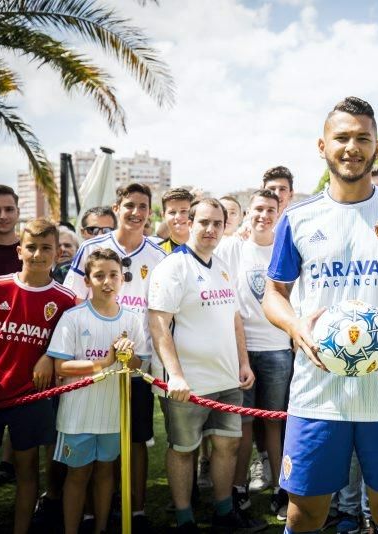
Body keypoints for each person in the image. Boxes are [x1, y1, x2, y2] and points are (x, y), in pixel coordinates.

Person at [263, 96, 378, 534]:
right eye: (341, 137)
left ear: (377, 148)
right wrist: (294, 323)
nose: (352, 147)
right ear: (322, 146)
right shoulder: (298, 218)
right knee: (305, 516)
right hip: (316, 394)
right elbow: (274, 294)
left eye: (363, 138)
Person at [148, 198, 264, 533]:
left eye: (217, 222)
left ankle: (224, 513)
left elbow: (234, 318)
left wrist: (243, 362)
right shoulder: (172, 268)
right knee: (184, 450)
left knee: (228, 445)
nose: (211, 229)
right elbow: (158, 325)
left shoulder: (223, 265)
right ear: (188, 222)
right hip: (187, 383)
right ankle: (185, 519)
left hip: (227, 377)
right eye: (204, 222)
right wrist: (177, 376)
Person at [64, 183, 166, 532]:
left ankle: (135, 512)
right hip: (94, 364)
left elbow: (162, 311)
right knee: (93, 438)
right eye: (129, 205)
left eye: (143, 206)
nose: (136, 212)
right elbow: (71, 301)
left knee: (135, 439)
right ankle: (93, 513)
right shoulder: (92, 248)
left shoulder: (158, 254)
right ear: (116, 208)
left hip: (138, 364)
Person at [0, 219, 76, 534]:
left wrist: (48, 356)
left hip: (31, 395)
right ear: (19, 251)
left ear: (57, 254)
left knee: (27, 470)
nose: (38, 254)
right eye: (31, 247)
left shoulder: (66, 299)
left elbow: (64, 346)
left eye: (46, 248)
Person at [47, 249, 148, 534]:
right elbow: (62, 366)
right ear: (88, 281)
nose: (107, 281)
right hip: (78, 414)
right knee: (78, 475)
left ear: (122, 279)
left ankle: (101, 528)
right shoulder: (73, 317)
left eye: (113, 275)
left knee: (106, 473)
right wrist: (104, 361)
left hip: (114, 413)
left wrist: (129, 356)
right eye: (99, 275)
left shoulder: (131, 318)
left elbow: (140, 363)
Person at [215, 189, 292, 520]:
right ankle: (239, 488)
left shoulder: (284, 249)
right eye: (258, 209)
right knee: (242, 426)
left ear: (278, 213)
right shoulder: (234, 247)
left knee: (274, 425)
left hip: (277, 350)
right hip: (242, 351)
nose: (263, 215)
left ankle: (280, 489)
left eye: (270, 210)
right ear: (247, 213)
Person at [158, 187, 195, 253]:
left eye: (184, 211)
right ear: (163, 216)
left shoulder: (207, 248)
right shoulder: (157, 252)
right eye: (172, 212)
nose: (178, 217)